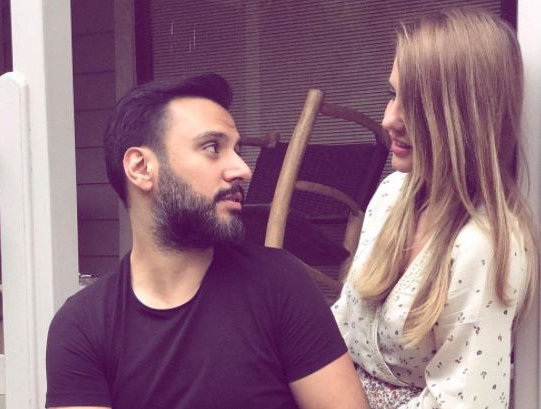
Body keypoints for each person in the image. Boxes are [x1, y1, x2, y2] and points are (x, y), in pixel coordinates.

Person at [45, 74, 368, 409]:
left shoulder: (279, 284)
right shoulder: (82, 325)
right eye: (212, 147)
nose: (242, 169)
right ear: (141, 168)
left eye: (237, 150)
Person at [332, 7, 539, 409]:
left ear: (464, 118)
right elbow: (343, 324)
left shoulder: (484, 245)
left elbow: (464, 401)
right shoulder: (392, 194)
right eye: (392, 95)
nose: (388, 119)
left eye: (416, 104)